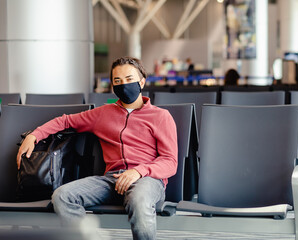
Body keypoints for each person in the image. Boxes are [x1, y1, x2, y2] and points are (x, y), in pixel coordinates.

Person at [17, 56, 178, 240]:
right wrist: (34, 135)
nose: (123, 84)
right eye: (117, 81)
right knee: (62, 196)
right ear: (112, 86)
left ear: (142, 82)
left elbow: (170, 162)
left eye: (129, 79)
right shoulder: (102, 114)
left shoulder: (161, 116)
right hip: (111, 180)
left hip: (147, 180)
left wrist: (138, 172)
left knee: (139, 200)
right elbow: (65, 121)